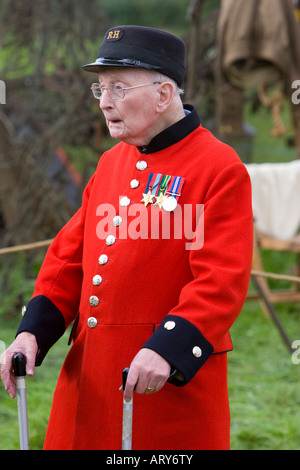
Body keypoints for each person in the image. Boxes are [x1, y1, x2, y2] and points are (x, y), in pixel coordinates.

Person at [0, 25, 253, 450]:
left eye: (118, 88)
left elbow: (220, 281)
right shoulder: (110, 163)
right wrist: (33, 332)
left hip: (164, 389)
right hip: (90, 385)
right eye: (99, 89)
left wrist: (168, 350)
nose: (104, 102)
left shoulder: (219, 168)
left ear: (163, 93)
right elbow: (71, 259)